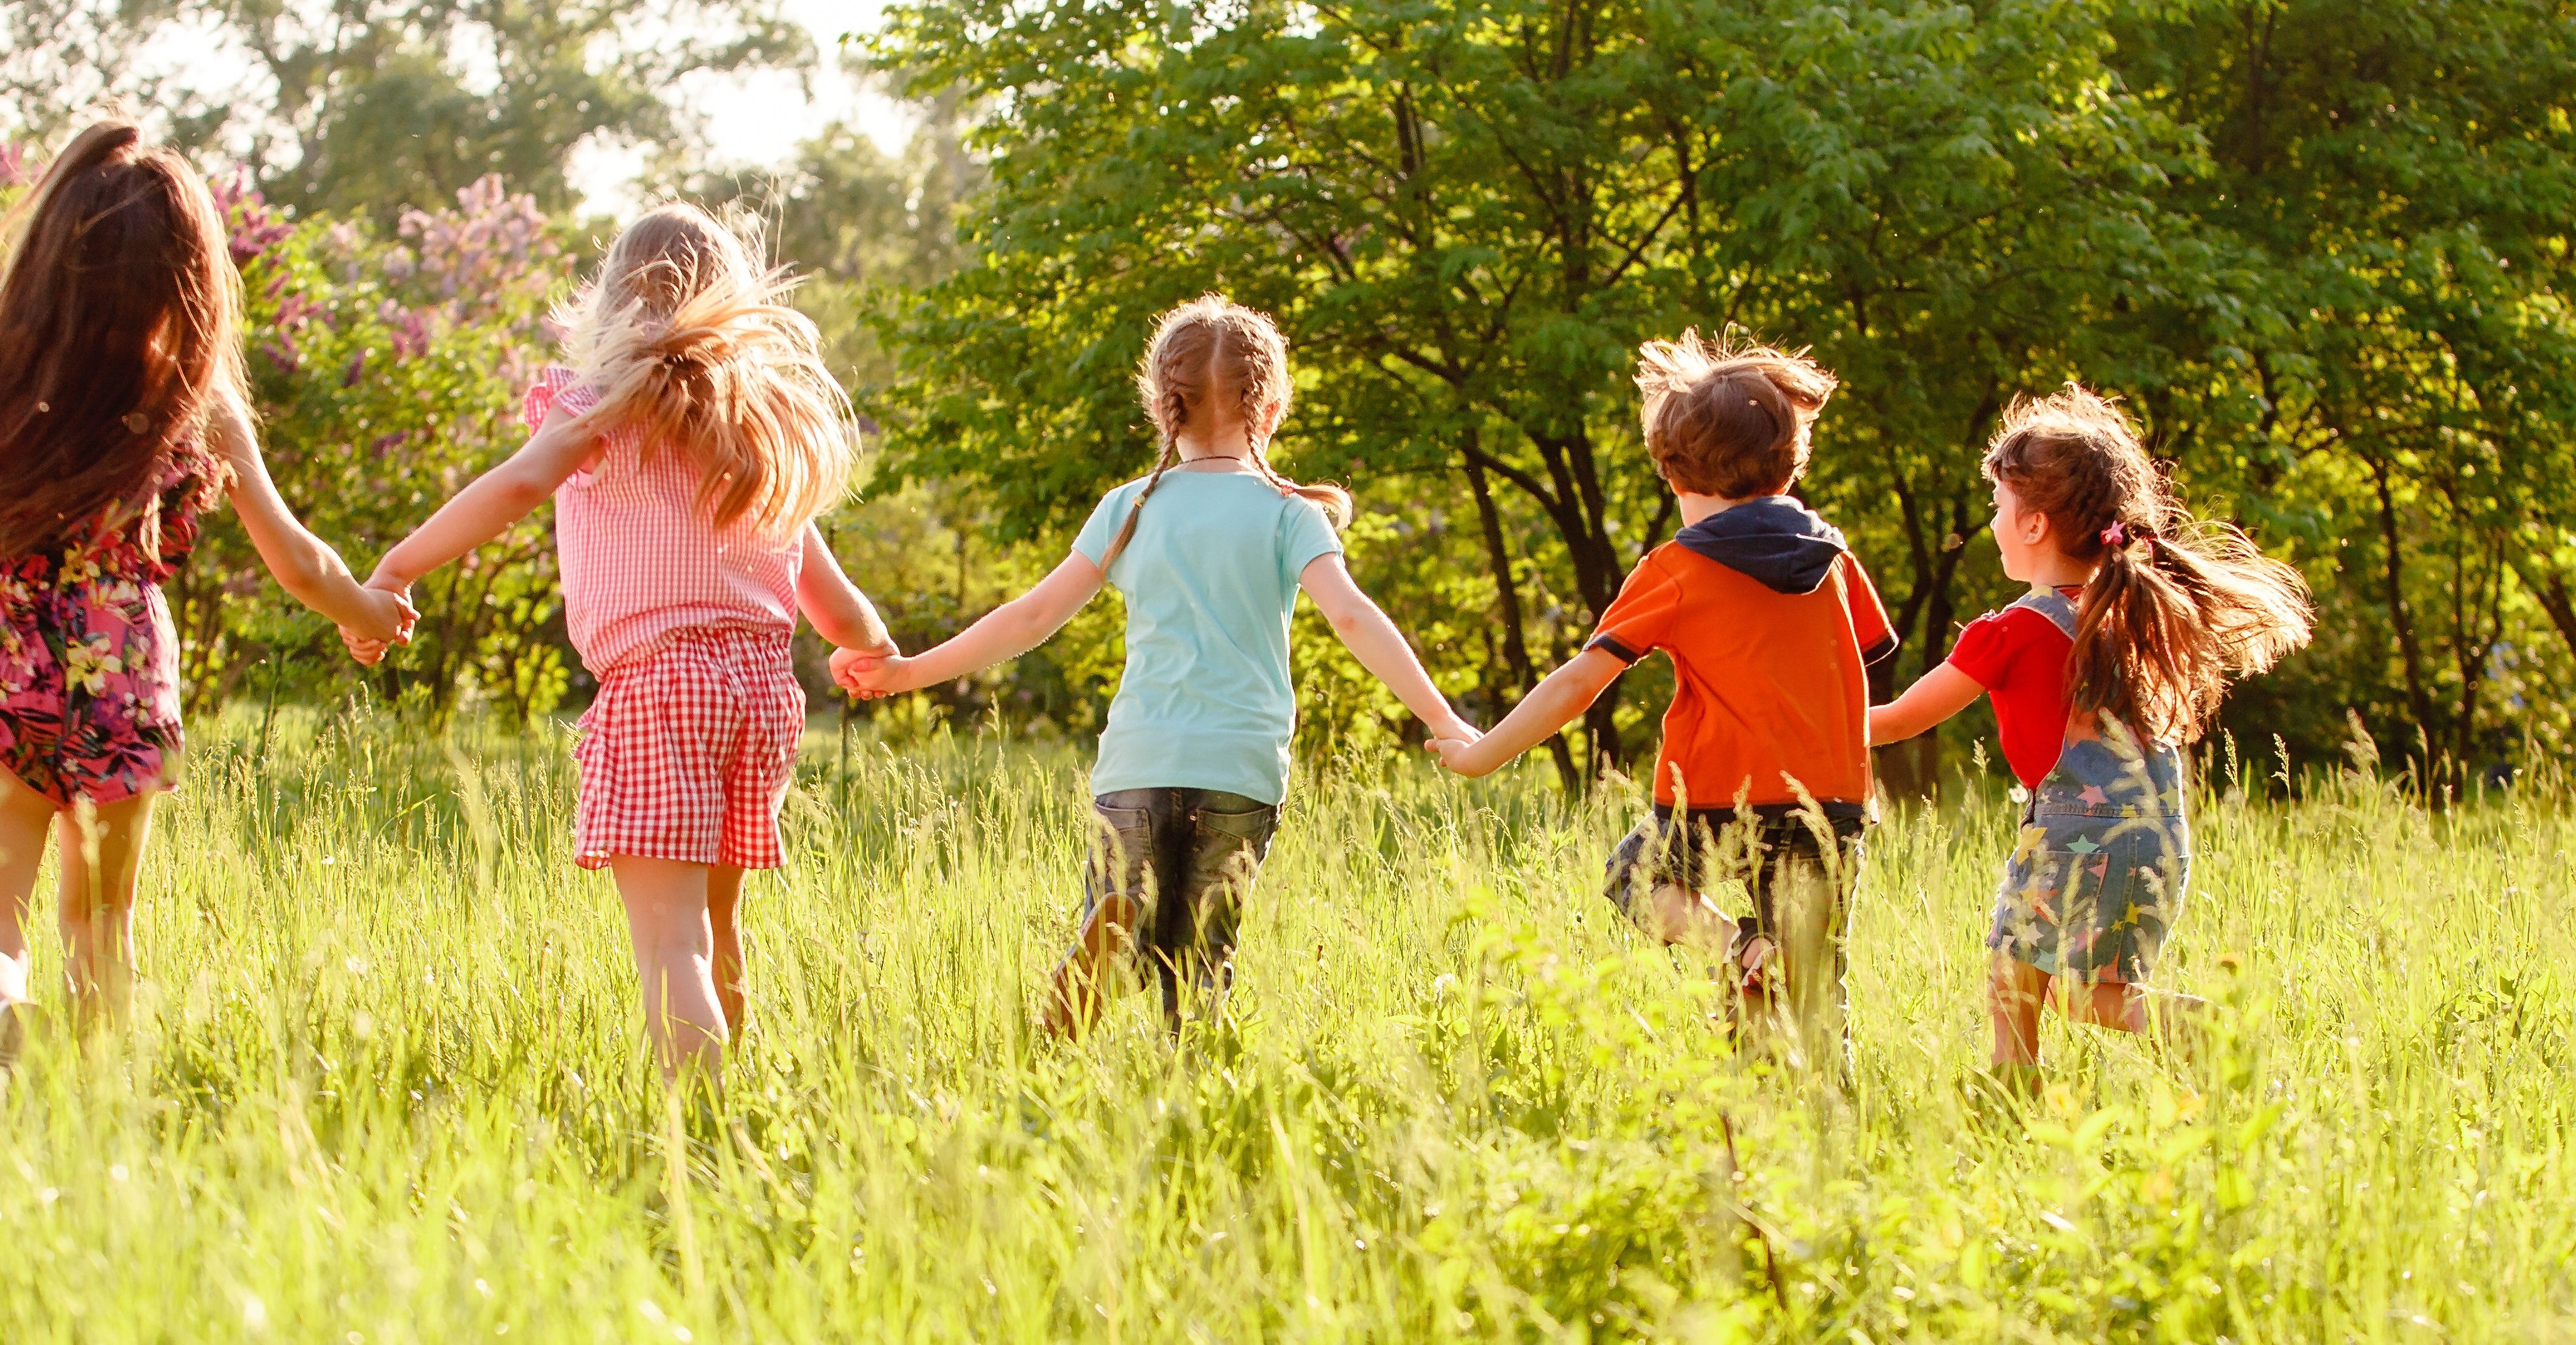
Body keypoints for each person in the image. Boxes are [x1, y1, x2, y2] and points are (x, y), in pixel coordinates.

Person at [0, 122, 415, 1068]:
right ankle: (96, 1118)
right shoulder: (195, 398)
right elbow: (295, 561)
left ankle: (2, 1019)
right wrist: (366, 613)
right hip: (123, 677)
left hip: (2, 667)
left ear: (49, 256)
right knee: (101, 934)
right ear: (188, 275)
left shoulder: (4, 376)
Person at [346, 202, 894, 1077]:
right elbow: (828, 596)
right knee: (718, 928)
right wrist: (868, 651)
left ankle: (690, 1125)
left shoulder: (601, 409)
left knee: (667, 944)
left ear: (611, 299)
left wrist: (396, 568)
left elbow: (518, 485)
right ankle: (727, 1112)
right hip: (760, 692)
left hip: (660, 685)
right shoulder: (755, 434)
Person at [840, 295, 1475, 1037]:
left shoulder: (1129, 508)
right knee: (1205, 958)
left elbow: (1032, 617)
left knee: (1128, 914)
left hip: (1139, 762)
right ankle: (1189, 1072)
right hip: (1238, 767)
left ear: (1160, 404)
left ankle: (1113, 937)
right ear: (1270, 406)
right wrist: (1442, 717)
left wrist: (909, 670)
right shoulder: (1288, 513)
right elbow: (1352, 617)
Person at [1430, 331, 1893, 1066]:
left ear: (1673, 472)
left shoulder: (1676, 566)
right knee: (1813, 989)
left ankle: (1735, 944)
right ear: (1787, 463)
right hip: (1830, 804)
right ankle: (1819, 1125)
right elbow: (1864, 663)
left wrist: (1483, 753)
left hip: (1715, 797)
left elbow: (1582, 679)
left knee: (1634, 876)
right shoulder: (1834, 559)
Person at [1868, 387, 2308, 1092]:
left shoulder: (2009, 631)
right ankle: (2018, 1096)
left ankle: (2195, 1037)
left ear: (2035, 523)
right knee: (2043, 977)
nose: (1991, 523)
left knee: (2041, 985)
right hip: (2157, 837)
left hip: (2077, 837)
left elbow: (1895, 721)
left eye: (1997, 508)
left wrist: (1801, 724)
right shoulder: (2124, 618)